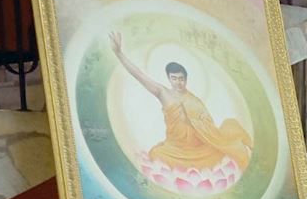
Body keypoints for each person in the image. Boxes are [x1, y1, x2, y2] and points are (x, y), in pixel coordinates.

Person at [108, 32, 253, 175]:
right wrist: (119, 53)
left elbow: (209, 125)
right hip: (174, 150)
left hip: (199, 149)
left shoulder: (194, 100)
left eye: (181, 79)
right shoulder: (163, 93)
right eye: (174, 78)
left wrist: (201, 121)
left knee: (221, 149)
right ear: (169, 79)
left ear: (186, 79)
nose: (178, 82)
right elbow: (139, 75)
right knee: (156, 154)